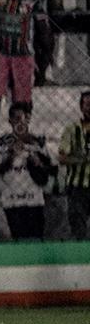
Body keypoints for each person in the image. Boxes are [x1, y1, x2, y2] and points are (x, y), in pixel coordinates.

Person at [0, 0, 44, 141]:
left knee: (23, 96)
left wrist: (43, 58)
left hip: (24, 53)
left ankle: (22, 131)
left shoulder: (32, 3)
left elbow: (43, 27)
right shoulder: (1, 1)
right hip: (1, 50)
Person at [0, 103, 54, 240]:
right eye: (17, 119)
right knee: (18, 239)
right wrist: (11, 156)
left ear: (28, 120)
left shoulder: (37, 142)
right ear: (10, 121)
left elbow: (50, 169)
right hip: (12, 200)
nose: (21, 122)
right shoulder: (1, 143)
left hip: (34, 199)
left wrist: (37, 162)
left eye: (24, 119)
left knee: (36, 239)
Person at [58, 91, 90, 239]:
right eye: (87, 104)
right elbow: (62, 158)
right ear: (81, 107)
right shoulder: (71, 129)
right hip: (77, 187)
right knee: (78, 229)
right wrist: (82, 159)